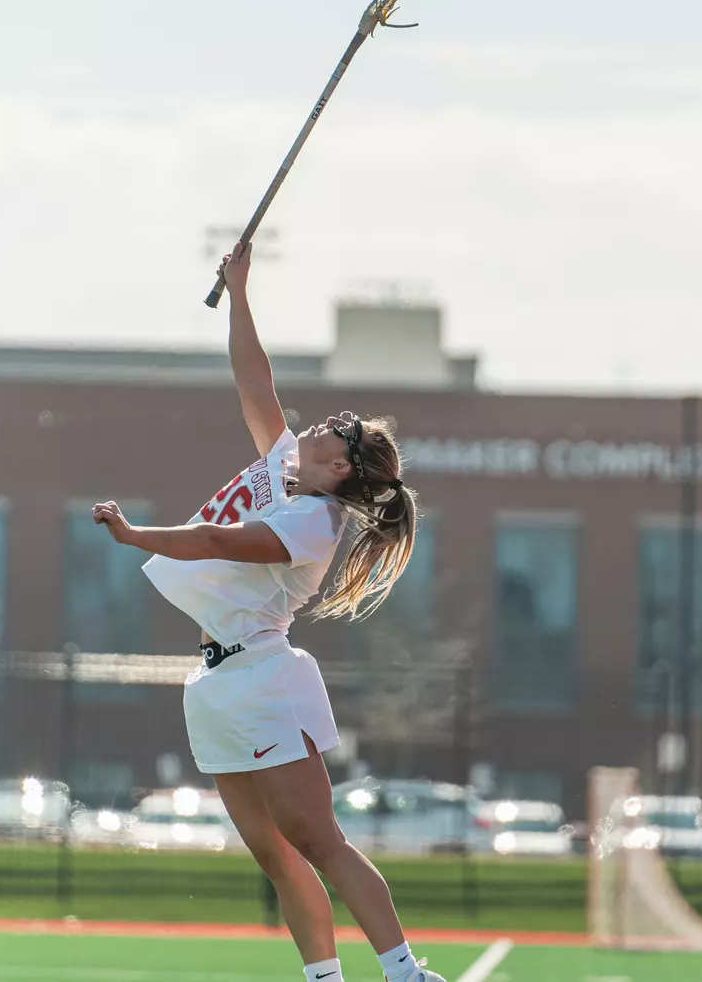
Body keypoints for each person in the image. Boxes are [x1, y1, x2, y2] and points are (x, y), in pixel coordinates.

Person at [92, 242, 446, 982]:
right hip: (218, 682)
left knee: (318, 841)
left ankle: (406, 974)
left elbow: (223, 538)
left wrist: (135, 535)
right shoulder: (287, 467)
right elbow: (255, 381)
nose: (325, 422)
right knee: (275, 857)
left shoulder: (314, 520)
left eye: (340, 428)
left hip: (260, 677)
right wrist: (241, 291)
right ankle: (323, 978)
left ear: (341, 466)